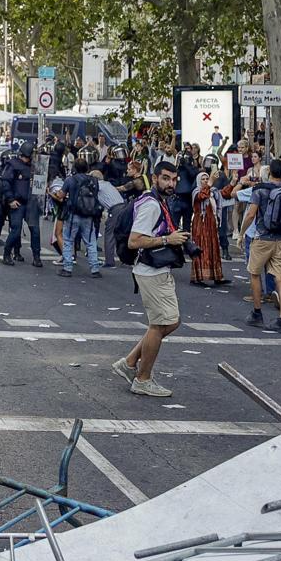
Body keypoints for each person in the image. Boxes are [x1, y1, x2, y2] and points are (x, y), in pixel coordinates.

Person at [112, 161, 186, 398]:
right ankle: (142, 379)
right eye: (165, 178)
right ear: (154, 178)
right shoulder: (152, 205)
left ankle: (130, 362)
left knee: (167, 322)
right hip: (150, 271)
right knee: (162, 324)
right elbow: (135, 241)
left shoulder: (155, 200)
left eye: (174, 179)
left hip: (154, 270)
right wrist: (168, 240)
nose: (170, 183)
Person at [246, 160, 281, 333]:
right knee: (280, 278)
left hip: (262, 237)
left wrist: (241, 234)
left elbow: (250, 214)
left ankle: (257, 313)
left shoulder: (260, 189)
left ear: (270, 171)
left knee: (255, 274)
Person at [0, 143, 40, 267]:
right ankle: (7, 254)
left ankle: (37, 257)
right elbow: (5, 182)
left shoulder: (35, 166)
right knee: (16, 230)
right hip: (18, 202)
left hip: (31, 202)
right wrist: (10, 199)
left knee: (35, 230)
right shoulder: (13, 165)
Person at [61, 165, 105, 279]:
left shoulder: (70, 180)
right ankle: (95, 269)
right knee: (91, 242)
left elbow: (61, 195)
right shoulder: (93, 180)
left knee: (68, 241)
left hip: (73, 214)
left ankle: (67, 267)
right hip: (89, 215)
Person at [188, 170, 225, 287]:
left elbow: (225, 194)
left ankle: (216, 276)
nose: (205, 181)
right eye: (202, 179)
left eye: (206, 179)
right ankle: (197, 277)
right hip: (200, 222)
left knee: (213, 247)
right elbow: (202, 196)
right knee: (201, 247)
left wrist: (234, 182)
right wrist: (211, 182)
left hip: (211, 223)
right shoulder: (196, 191)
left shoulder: (213, 192)